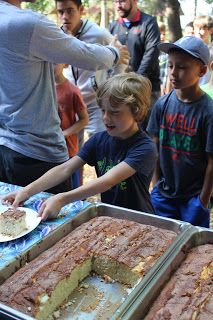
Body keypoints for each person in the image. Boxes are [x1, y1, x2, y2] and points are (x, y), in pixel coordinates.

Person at [0, 0, 129, 194]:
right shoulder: (28, 24)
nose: (65, 15)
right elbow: (87, 56)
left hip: (5, 147)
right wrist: (115, 53)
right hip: (37, 153)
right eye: (62, 11)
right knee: (55, 221)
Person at [2, 73, 158, 221]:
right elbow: (65, 168)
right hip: (111, 215)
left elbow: (108, 180)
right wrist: (27, 191)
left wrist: (62, 198)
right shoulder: (99, 140)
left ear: (137, 112)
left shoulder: (145, 148)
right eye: (103, 110)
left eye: (114, 112)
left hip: (140, 217)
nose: (105, 118)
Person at [147, 36, 213, 228]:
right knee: (161, 243)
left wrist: (203, 199)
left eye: (182, 67)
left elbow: (211, 161)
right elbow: (154, 147)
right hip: (163, 195)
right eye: (170, 66)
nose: (174, 73)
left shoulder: (208, 112)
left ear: (201, 70)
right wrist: (155, 184)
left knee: (191, 249)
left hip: (193, 200)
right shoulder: (162, 104)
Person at [56, 0, 127, 149]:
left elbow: (123, 57)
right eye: (61, 12)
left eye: (70, 11)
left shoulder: (98, 34)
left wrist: (112, 86)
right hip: (70, 102)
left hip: (95, 102)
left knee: (102, 147)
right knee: (73, 150)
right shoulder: (58, 35)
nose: (65, 16)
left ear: (81, 10)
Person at [109, 0, 161, 128]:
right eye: (115, 1)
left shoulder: (149, 23)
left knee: (147, 132)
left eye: (122, 1)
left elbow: (151, 54)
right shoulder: (113, 26)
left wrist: (135, 83)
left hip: (147, 90)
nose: (118, 5)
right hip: (120, 91)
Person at [54, 63, 88, 188]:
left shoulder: (72, 91)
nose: (52, 67)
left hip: (68, 148)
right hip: (50, 148)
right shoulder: (43, 88)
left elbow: (84, 120)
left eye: (55, 63)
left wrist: (64, 134)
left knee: (72, 184)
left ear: (65, 64)